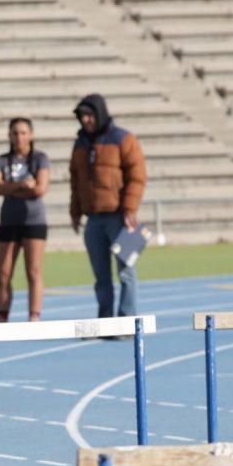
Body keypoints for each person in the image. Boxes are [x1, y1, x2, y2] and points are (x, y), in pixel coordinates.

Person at [69, 93, 148, 318]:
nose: (85, 120)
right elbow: (76, 181)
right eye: (82, 116)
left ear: (100, 113)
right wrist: (75, 212)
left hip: (119, 217)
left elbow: (137, 176)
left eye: (89, 115)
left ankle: (127, 320)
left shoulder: (123, 139)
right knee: (101, 277)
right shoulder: (80, 144)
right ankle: (105, 321)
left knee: (126, 272)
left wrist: (130, 208)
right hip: (93, 219)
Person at [0, 117, 50, 322]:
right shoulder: (2, 160)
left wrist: (10, 188)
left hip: (34, 221)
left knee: (33, 271)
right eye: (15, 133)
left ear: (31, 135)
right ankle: (2, 318)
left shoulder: (40, 158)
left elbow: (40, 188)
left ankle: (34, 318)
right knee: (3, 274)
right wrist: (20, 186)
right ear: (9, 136)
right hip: (8, 221)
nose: (19, 137)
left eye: (23, 133)